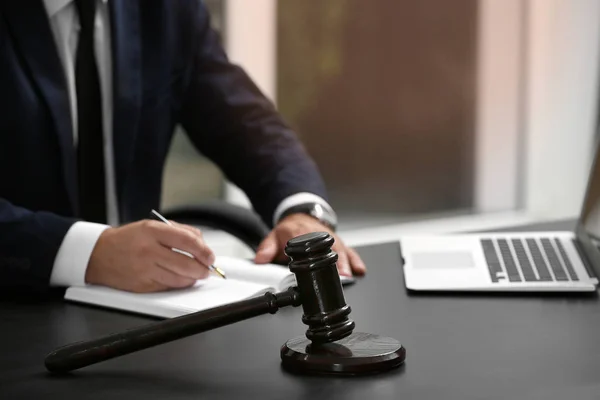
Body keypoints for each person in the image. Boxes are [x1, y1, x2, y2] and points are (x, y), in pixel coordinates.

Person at [0, 0, 366, 294]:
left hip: (139, 309)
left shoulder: (165, 10)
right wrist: (90, 253)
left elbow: (243, 121)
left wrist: (301, 210)